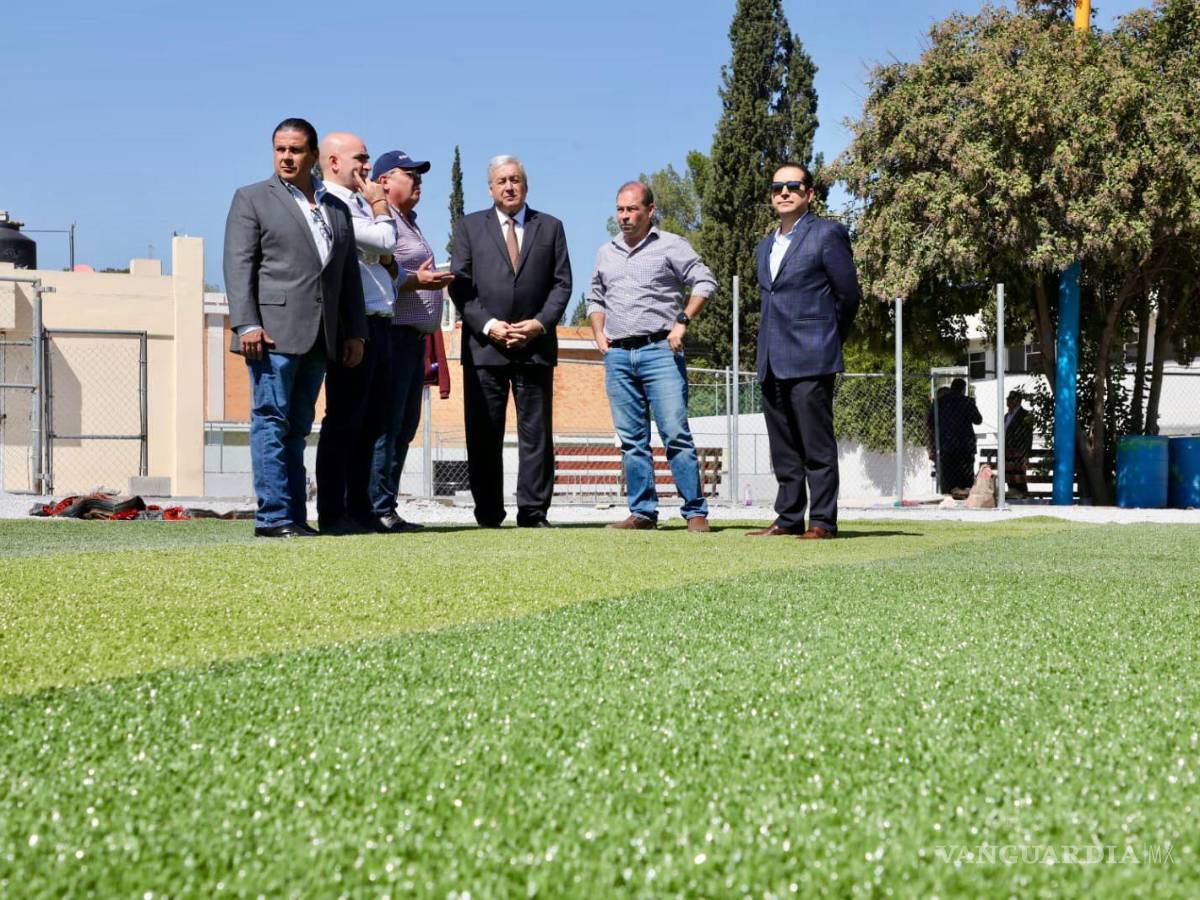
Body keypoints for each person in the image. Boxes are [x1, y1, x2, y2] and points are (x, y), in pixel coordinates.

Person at [223, 117, 366, 539]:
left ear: (313, 155)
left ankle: (295, 517)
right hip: (270, 334)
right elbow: (238, 265)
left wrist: (355, 330)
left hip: (321, 336)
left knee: (299, 427)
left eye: (295, 150)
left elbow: (347, 275)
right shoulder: (251, 198)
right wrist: (247, 323)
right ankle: (273, 517)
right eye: (280, 149)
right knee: (270, 419)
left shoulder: (335, 207)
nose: (286, 157)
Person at [586, 182, 717, 532]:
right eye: (620, 210)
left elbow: (704, 282)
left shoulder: (671, 245)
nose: (625, 217)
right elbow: (595, 298)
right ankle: (643, 512)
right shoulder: (605, 252)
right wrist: (599, 334)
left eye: (632, 210)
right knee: (631, 440)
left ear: (650, 210)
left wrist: (682, 323)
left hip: (661, 351)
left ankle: (695, 512)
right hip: (618, 356)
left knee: (675, 432)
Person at [449, 155, 572, 528]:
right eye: (501, 181)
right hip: (485, 348)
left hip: (534, 348)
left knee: (536, 434)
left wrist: (539, 324)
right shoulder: (469, 227)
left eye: (515, 179)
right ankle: (487, 512)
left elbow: (562, 284)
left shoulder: (550, 227)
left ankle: (533, 512)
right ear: (490, 188)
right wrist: (488, 325)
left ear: (526, 185)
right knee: (484, 434)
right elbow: (460, 284)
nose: (509, 186)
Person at [749, 163, 860, 540]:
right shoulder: (765, 246)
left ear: (809, 193)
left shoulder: (827, 234)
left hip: (812, 356)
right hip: (771, 358)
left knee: (816, 444)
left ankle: (823, 522)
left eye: (793, 186)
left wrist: (828, 338)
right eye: (778, 187)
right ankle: (788, 518)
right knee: (784, 448)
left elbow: (848, 296)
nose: (784, 192)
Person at [315, 132, 401, 534]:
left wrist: (383, 250)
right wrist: (380, 205)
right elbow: (386, 239)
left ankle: (361, 506)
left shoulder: (354, 202)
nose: (368, 167)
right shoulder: (329, 201)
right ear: (333, 161)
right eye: (360, 158)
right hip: (356, 323)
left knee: (371, 422)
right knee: (345, 420)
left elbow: (388, 254)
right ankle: (335, 510)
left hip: (381, 320)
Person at [369, 150, 454, 531]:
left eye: (420, 174)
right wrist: (417, 280)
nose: (418, 180)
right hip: (394, 334)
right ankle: (377, 507)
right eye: (410, 174)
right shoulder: (381, 219)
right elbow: (376, 268)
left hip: (413, 339)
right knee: (389, 425)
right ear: (384, 181)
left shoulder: (408, 222)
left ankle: (386, 505)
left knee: (404, 427)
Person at [927, 377, 982, 497]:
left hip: (946, 445)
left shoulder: (939, 403)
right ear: (963, 389)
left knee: (949, 478)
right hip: (965, 445)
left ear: (951, 388)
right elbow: (978, 420)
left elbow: (930, 423)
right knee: (966, 479)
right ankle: (966, 497)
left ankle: (949, 499)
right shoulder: (967, 401)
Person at [1003, 390, 1035, 497]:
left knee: (1019, 477)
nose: (1008, 400)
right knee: (1009, 476)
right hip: (1007, 451)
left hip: (1019, 452)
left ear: (1018, 401)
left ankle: (1022, 494)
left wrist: (1026, 454)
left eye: (1011, 398)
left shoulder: (1026, 415)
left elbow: (1028, 437)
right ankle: (1014, 493)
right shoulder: (1006, 416)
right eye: (1008, 398)